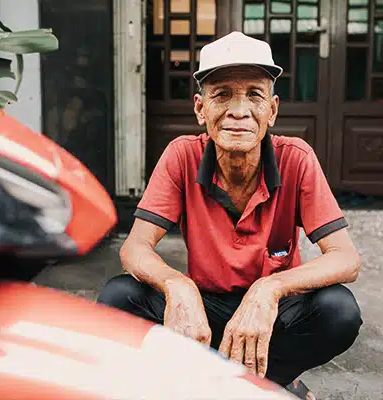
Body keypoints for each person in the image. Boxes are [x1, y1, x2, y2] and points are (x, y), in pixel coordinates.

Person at [97, 31, 362, 400]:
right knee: (118, 296)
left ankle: (247, 383)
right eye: (222, 94)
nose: (239, 110)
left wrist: (269, 289)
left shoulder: (296, 158)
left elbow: (346, 259)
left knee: (339, 311)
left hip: (273, 312)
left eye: (254, 94)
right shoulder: (182, 156)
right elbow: (135, 248)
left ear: (272, 110)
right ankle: (259, 386)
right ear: (200, 108)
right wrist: (178, 285)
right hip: (204, 307)